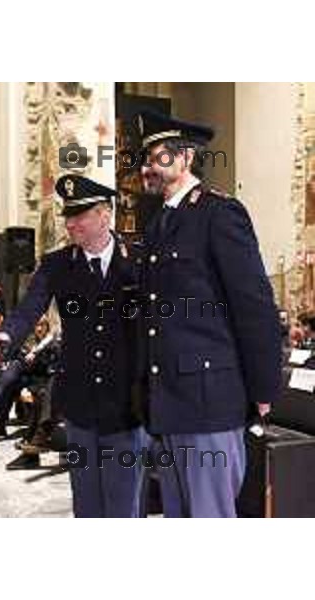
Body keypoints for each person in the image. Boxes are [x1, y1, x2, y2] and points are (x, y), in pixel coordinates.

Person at [134, 110, 282, 517]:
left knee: (209, 516)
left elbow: (253, 306)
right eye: (146, 158)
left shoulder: (219, 213)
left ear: (184, 159)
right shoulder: (160, 224)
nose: (148, 167)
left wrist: (264, 390)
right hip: (170, 404)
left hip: (210, 403)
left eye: (158, 157)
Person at [0, 175, 145, 518]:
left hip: (126, 405)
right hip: (80, 404)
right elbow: (31, 306)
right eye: (68, 217)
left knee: (124, 506)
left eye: (79, 216)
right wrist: (7, 335)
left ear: (105, 215)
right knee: (86, 504)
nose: (70, 224)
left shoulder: (137, 259)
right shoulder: (57, 264)